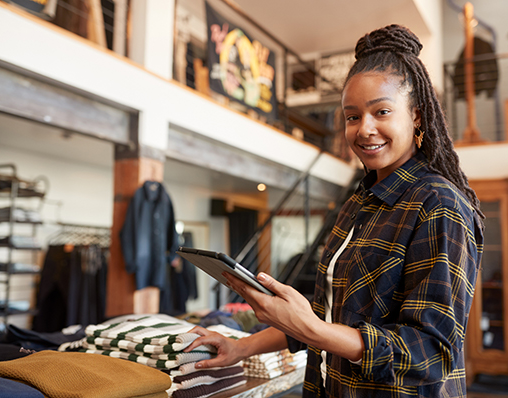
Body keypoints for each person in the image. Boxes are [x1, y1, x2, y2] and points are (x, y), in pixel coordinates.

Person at [185, 24, 484, 398]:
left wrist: (312, 330)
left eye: (382, 112)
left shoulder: (439, 204)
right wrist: (242, 347)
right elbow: (327, 316)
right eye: (352, 116)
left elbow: (431, 354)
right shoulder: (358, 204)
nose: (364, 129)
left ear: (417, 116)